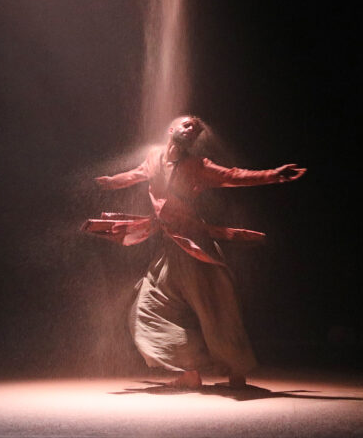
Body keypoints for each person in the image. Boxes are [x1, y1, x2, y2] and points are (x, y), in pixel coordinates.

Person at [82, 115, 305, 388]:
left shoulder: (198, 165)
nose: (192, 131)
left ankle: (236, 371)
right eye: (187, 125)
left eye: (197, 130)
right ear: (171, 129)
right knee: (148, 307)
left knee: (215, 307)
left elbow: (233, 176)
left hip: (195, 245)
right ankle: (189, 372)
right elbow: (137, 174)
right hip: (169, 248)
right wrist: (111, 181)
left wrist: (272, 175)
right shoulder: (154, 157)